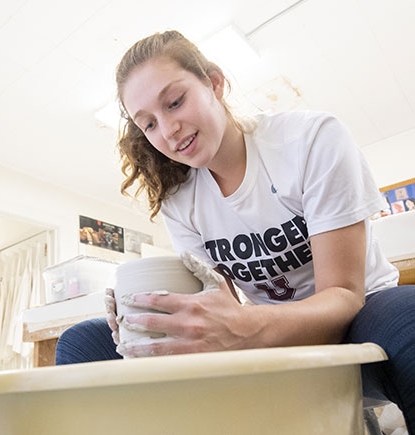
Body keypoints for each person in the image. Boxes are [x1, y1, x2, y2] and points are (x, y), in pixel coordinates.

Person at [54, 30, 415, 432]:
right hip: (267, 335)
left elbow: (344, 296)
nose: (169, 130)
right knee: (81, 344)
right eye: (150, 124)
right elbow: (218, 305)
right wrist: (142, 326)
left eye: (175, 102)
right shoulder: (180, 200)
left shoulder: (309, 141)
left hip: (360, 316)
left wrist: (245, 325)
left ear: (214, 83)